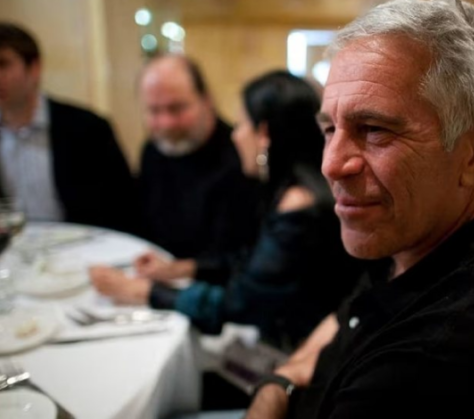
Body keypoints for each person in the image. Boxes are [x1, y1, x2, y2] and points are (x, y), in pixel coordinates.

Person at [243, 1, 474, 418]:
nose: (330, 165)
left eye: (374, 129)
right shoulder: (418, 239)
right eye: (330, 129)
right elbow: (347, 315)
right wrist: (282, 379)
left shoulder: (434, 360)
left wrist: (272, 390)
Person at [92, 71, 361, 349]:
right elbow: (255, 265)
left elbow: (243, 302)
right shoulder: (296, 188)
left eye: (241, 124)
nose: (235, 135)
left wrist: (143, 291)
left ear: (263, 133)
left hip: (301, 348)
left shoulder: (298, 203)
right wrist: (179, 269)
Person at [0, 22, 135, 232]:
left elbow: (123, 203)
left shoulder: (87, 126)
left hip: (78, 241)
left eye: (2, 64)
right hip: (12, 240)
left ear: (34, 68)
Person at [135, 55, 261, 269]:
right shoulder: (152, 150)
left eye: (176, 108)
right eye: (154, 110)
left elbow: (239, 257)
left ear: (206, 100)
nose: (166, 123)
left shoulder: (240, 158)